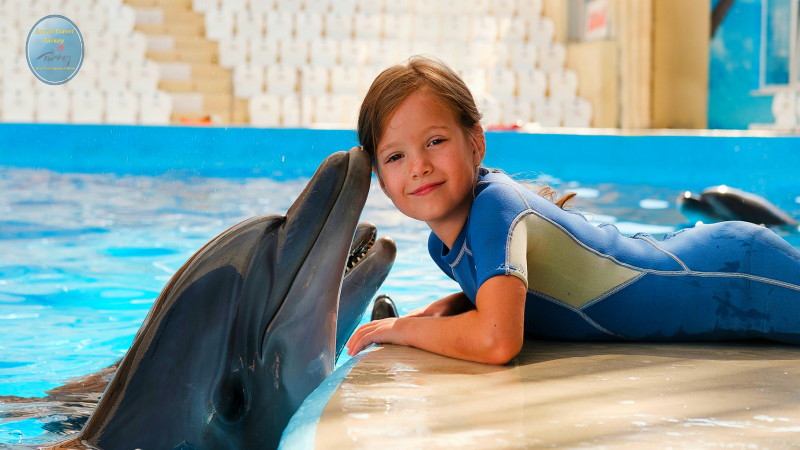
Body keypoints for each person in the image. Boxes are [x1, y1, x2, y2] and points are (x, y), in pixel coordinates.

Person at [345, 56, 800, 365]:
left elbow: (498, 339)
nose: (419, 166)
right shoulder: (442, 243)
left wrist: (402, 331)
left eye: (435, 141)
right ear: (382, 182)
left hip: (734, 275)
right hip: (718, 275)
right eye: (395, 157)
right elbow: (502, 293)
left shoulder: (494, 208)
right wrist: (431, 314)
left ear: (476, 142)